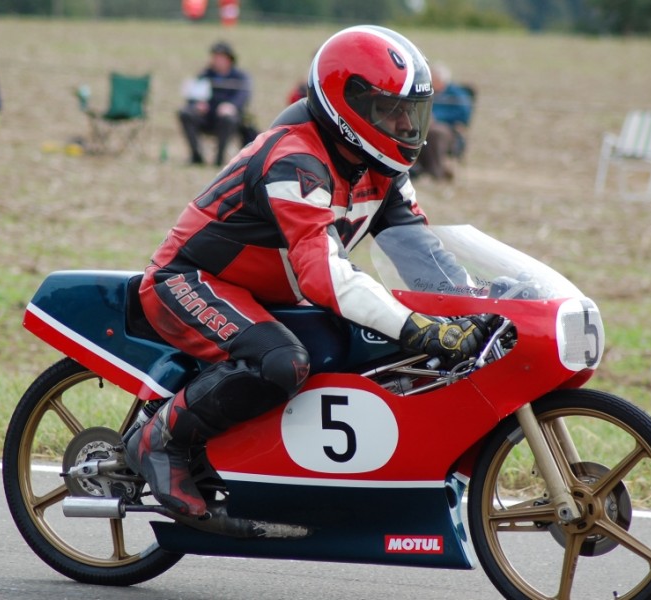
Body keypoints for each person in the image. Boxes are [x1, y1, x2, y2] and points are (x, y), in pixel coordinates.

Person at [125, 25, 490, 518]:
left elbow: (422, 255)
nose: (407, 124)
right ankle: (157, 440)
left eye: (413, 110)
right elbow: (325, 275)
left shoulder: (380, 166)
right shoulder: (294, 161)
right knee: (282, 362)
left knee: (364, 351)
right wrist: (420, 327)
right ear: (351, 108)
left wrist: (481, 305)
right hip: (190, 281)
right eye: (392, 109)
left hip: (270, 291)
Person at [177, 40, 251, 166]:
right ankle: (196, 156)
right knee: (185, 113)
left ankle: (219, 159)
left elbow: (243, 95)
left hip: (227, 119)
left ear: (229, 59)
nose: (217, 60)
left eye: (221, 57)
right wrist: (197, 104)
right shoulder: (205, 74)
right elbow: (193, 95)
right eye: (215, 57)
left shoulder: (239, 77)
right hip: (206, 117)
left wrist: (231, 106)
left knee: (228, 119)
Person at [412, 63, 475, 181]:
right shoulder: (426, 91)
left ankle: (436, 172)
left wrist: (437, 117)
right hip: (424, 126)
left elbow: (463, 114)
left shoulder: (456, 94)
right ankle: (413, 169)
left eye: (433, 78)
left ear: (442, 79)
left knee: (435, 133)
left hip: (449, 131)